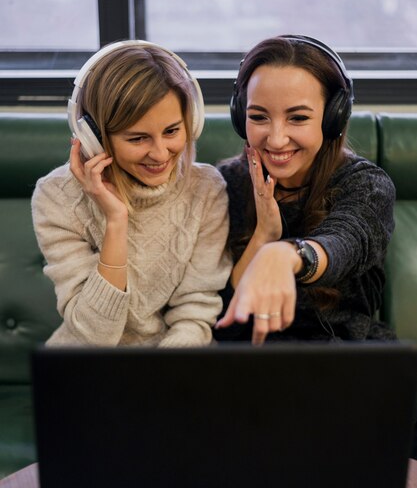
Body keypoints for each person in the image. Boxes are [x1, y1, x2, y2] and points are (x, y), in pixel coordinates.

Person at [32, 40, 231, 347]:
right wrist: (115, 220)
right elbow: (95, 336)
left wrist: (162, 382)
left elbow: (194, 312)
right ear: (94, 138)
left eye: (172, 131)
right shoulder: (56, 197)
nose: (160, 153)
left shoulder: (207, 189)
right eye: (138, 138)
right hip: (90, 367)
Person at [214, 34, 396, 346]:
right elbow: (223, 324)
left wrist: (287, 255)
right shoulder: (226, 183)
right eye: (258, 117)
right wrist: (263, 238)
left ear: (332, 117)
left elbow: (345, 240)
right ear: (239, 114)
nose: (276, 139)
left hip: (340, 365)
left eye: (297, 118)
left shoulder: (366, 186)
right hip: (245, 369)